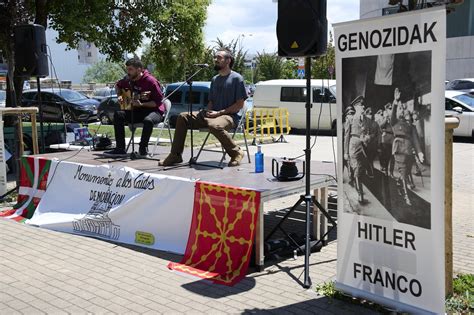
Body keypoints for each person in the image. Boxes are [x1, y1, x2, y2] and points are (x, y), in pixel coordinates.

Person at [160, 49, 247, 167]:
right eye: (215, 57)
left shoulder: (237, 78)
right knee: (183, 117)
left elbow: (239, 105)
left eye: (219, 57)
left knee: (214, 125)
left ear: (228, 60)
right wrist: (208, 111)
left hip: (229, 116)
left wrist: (219, 113)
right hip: (212, 115)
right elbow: (211, 101)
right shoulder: (215, 79)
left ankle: (236, 152)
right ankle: (175, 155)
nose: (215, 60)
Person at [104, 58, 164, 158]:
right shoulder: (128, 80)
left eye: (130, 69)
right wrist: (122, 97)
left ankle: (142, 148)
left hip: (154, 111)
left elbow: (158, 102)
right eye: (127, 69)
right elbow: (118, 85)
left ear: (139, 69)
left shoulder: (151, 81)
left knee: (148, 120)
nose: (128, 72)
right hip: (137, 110)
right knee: (118, 114)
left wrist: (141, 104)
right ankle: (120, 148)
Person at [390, 88, 424, 206]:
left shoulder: (410, 126)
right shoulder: (394, 122)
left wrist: (420, 153)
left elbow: (415, 139)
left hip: (409, 150)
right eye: (401, 109)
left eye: (404, 109)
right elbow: (392, 115)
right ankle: (406, 196)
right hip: (399, 149)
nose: (403, 111)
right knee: (403, 171)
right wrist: (395, 102)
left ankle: (399, 183)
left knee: (407, 171)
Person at [344, 95, 371, 203]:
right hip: (353, 146)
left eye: (363, 104)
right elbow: (346, 136)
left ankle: (357, 184)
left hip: (364, 147)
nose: (363, 106)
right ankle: (360, 194)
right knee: (357, 169)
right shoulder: (350, 119)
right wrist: (345, 152)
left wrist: (367, 138)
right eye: (361, 105)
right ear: (355, 106)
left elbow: (368, 133)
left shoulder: (365, 120)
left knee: (361, 170)